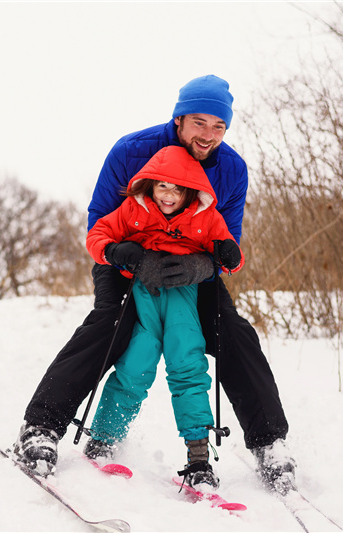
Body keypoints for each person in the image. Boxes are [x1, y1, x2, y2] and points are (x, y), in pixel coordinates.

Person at [13, 74, 296, 495]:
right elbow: (100, 223)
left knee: (233, 332)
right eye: (200, 122)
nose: (209, 135)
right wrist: (131, 257)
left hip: (192, 270)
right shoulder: (132, 152)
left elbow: (227, 241)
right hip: (126, 261)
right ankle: (40, 427)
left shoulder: (231, 169)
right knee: (111, 323)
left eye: (219, 126)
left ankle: (270, 443)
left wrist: (203, 268)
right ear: (179, 119)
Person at [84, 145, 243, 491]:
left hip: (183, 297)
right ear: (149, 186)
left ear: (190, 192)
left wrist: (230, 254)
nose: (169, 196)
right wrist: (114, 250)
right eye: (162, 187)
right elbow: (97, 235)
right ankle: (103, 438)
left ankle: (199, 457)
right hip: (143, 293)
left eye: (177, 189)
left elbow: (231, 254)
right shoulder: (132, 209)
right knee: (135, 363)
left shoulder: (205, 217)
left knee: (187, 361)